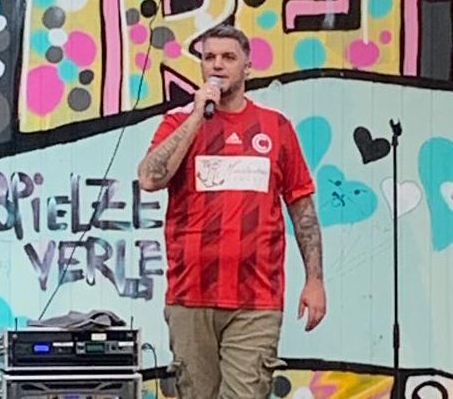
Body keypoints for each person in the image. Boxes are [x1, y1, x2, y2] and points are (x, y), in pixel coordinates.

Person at [137, 24, 326, 399]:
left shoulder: (276, 127)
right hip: (190, 296)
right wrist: (196, 116)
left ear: (247, 67)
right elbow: (149, 178)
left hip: (256, 299)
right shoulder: (178, 123)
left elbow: (302, 207)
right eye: (209, 57)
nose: (218, 65)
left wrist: (315, 280)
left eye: (228, 57)